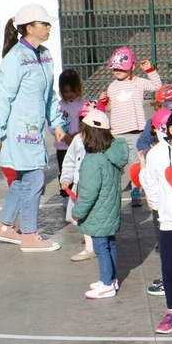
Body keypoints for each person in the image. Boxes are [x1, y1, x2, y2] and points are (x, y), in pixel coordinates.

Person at [0, 5, 67, 252]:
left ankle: (4, 226)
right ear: (29, 28)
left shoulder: (45, 55)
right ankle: (30, 235)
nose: (48, 27)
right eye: (44, 24)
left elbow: (49, 95)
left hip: (34, 131)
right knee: (34, 179)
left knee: (23, 179)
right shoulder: (15, 58)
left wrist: (56, 122)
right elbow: (2, 98)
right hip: (17, 132)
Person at [70, 106, 127, 299]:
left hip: (97, 212)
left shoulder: (93, 160)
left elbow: (88, 192)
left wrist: (77, 212)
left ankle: (106, 283)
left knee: (101, 247)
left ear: (89, 134)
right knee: (110, 244)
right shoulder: (111, 155)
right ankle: (110, 279)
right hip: (110, 208)